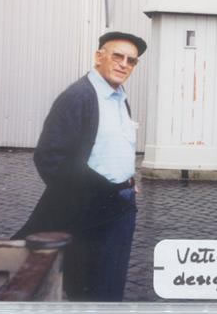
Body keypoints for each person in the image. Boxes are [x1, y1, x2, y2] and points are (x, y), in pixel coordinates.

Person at [13, 31, 147, 301]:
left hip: (122, 207)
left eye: (131, 60)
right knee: (92, 292)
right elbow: (50, 158)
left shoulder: (119, 97)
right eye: (117, 56)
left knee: (111, 288)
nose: (124, 64)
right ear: (99, 57)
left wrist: (129, 182)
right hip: (92, 210)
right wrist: (99, 194)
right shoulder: (79, 96)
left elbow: (112, 148)